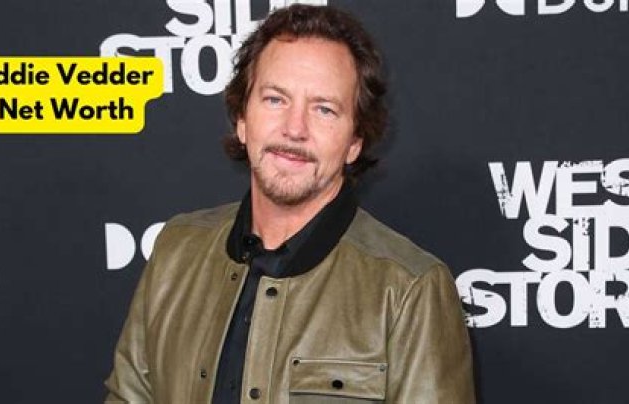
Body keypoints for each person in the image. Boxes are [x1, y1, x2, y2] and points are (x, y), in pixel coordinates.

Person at [105, 4, 475, 403]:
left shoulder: (409, 290)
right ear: (242, 119)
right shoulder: (176, 251)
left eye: (324, 109)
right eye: (275, 100)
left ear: (355, 141)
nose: (295, 129)